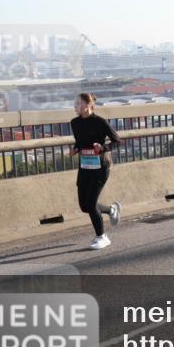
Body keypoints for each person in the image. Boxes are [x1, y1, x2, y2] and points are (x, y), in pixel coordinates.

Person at [69, 93, 122, 250]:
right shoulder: (74, 123)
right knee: (84, 206)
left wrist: (103, 148)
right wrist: (75, 150)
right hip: (85, 168)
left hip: (100, 168)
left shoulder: (100, 122)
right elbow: (80, 143)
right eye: (75, 103)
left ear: (88, 105)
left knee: (91, 204)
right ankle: (112, 209)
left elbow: (117, 141)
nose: (75, 106)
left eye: (78, 103)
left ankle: (102, 237)